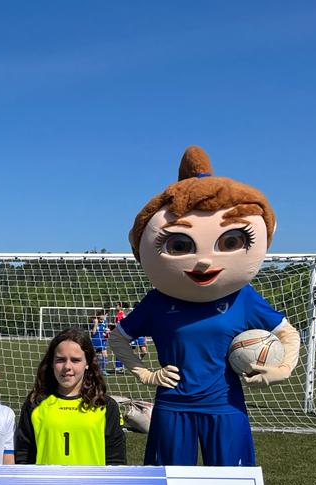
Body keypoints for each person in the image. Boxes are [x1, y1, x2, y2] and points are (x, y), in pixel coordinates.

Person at [109, 145, 300, 466]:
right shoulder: (159, 301)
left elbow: (288, 334)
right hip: (173, 407)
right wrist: (145, 373)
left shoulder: (242, 297)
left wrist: (280, 370)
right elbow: (118, 337)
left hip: (225, 406)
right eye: (181, 244)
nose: (204, 260)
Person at [15, 329, 126, 465]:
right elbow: (24, 454)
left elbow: (116, 460)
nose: (67, 366)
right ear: (51, 362)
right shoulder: (36, 402)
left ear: (87, 363)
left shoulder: (105, 405)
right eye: (60, 360)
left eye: (75, 360)